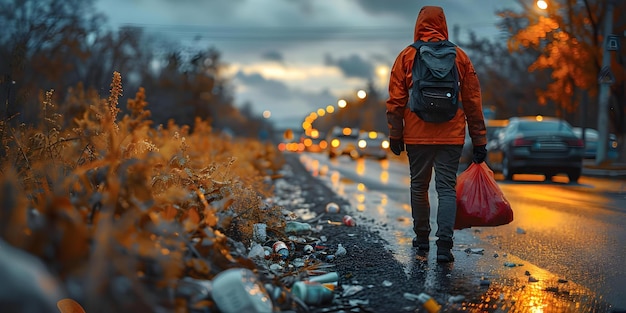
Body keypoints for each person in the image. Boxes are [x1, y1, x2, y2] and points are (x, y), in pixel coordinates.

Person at [385, 6, 487, 263]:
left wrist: (395, 135)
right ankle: (444, 247)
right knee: (446, 189)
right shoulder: (459, 57)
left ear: (419, 24)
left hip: (417, 135)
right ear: (443, 25)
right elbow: (473, 101)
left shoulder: (407, 56)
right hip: (451, 135)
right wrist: (480, 141)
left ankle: (421, 240)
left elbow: (395, 101)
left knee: (419, 187)